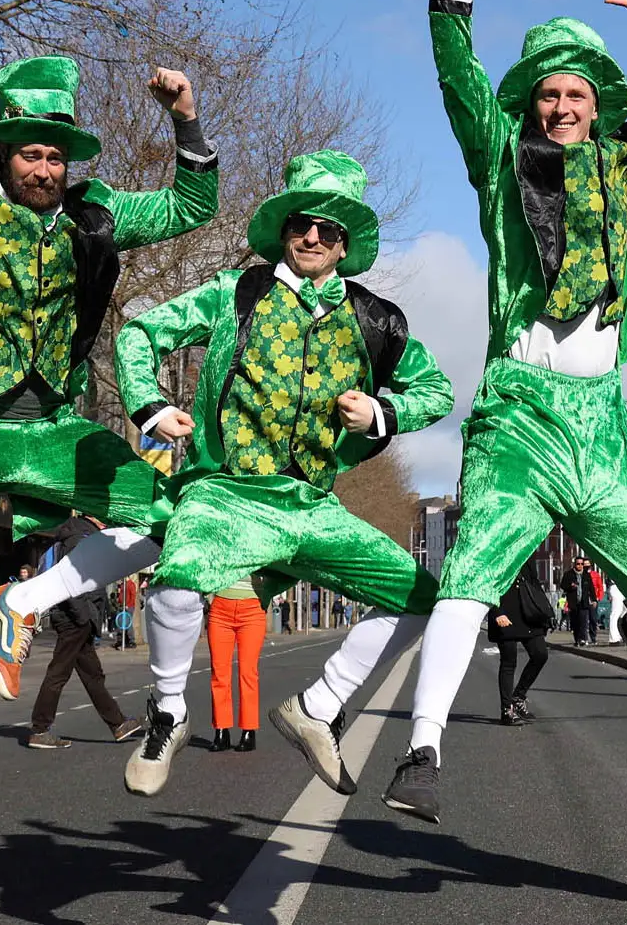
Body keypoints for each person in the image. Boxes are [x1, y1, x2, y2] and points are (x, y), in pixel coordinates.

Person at [386, 0, 627, 826]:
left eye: (575, 93)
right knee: (474, 569)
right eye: (547, 94)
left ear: (594, 106)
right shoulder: (499, 158)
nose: (561, 106)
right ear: (527, 105)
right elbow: (455, 79)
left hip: (600, 413)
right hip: (521, 409)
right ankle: (421, 754)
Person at [0, 55, 218, 713]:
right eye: (31, 155)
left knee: (173, 516)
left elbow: (192, 206)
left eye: (56, 158)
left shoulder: (96, 215)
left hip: (53, 423)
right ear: (4, 152)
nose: (45, 170)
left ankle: (19, 606)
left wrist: (184, 118)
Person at [99, 150, 455, 799]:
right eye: (302, 224)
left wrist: (382, 409)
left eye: (329, 229)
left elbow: (435, 390)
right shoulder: (235, 293)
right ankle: (170, 712)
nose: (313, 236)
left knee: (421, 598)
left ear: (345, 244)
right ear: (284, 230)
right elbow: (139, 334)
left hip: (311, 504)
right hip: (225, 492)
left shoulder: (376, 321)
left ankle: (318, 706)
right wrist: (150, 407)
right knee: (176, 583)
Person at [25, 518, 143, 749]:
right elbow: (72, 582)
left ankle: (118, 724)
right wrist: (84, 616)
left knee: (92, 675)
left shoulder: (80, 536)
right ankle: (40, 729)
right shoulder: (80, 539)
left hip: (76, 616)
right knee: (59, 672)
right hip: (74, 618)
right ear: (94, 517)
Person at [206, 573, 267, 753]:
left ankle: (249, 730)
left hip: (252, 609)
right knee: (219, 673)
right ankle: (221, 730)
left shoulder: (261, 543)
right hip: (220, 608)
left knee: (248, 673)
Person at [490, 570, 552, 725]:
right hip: (504, 612)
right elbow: (488, 583)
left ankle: (518, 696)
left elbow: (534, 584)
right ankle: (506, 710)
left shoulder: (526, 552)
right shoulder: (497, 552)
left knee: (540, 654)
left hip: (528, 613)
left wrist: (544, 613)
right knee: (509, 661)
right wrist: (497, 612)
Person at [566, 557, 599, 645]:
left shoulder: (586, 575)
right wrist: (570, 585)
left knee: (583, 621)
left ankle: (583, 639)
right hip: (573, 602)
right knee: (575, 622)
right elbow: (563, 585)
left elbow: (591, 588)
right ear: (575, 564)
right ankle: (577, 639)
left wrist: (594, 599)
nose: (580, 566)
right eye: (578, 564)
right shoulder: (569, 574)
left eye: (581, 564)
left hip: (583, 602)